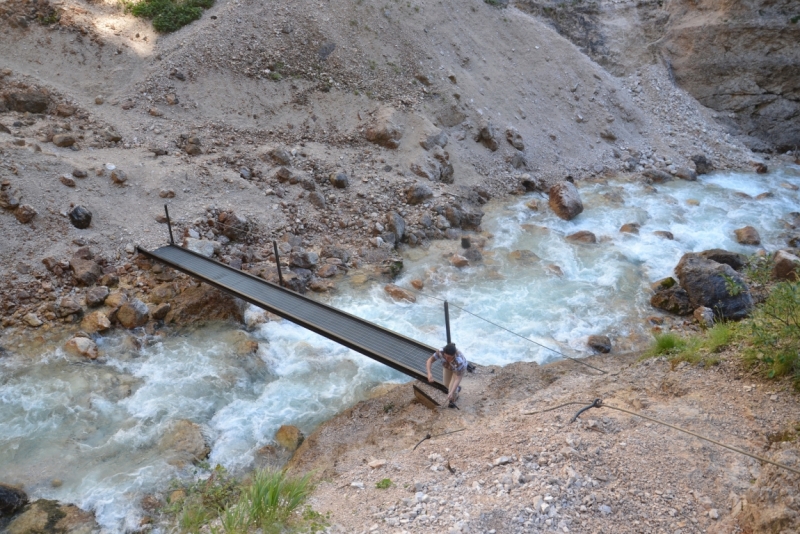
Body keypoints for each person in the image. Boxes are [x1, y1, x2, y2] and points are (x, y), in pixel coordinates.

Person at [426, 343, 467, 407]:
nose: (447, 359)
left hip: (457, 370)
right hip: (447, 367)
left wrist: (451, 392)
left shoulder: (459, 361)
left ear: (454, 355)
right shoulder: (440, 352)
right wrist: (429, 373)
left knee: (451, 390)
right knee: (446, 383)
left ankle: (453, 400)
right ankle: (457, 388)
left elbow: (458, 378)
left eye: (450, 357)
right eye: (445, 356)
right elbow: (429, 361)